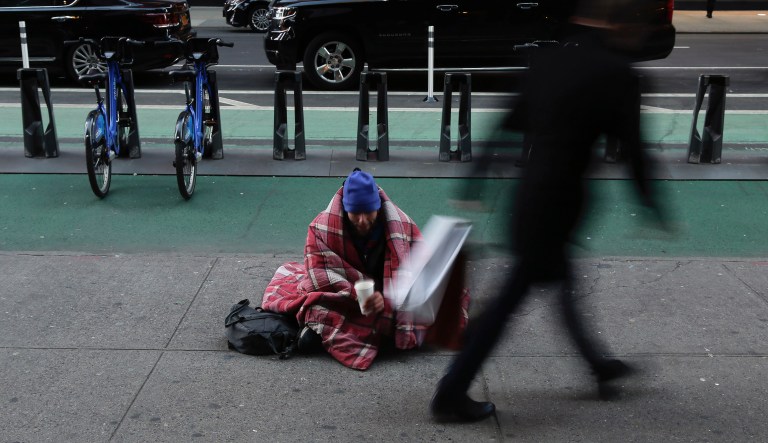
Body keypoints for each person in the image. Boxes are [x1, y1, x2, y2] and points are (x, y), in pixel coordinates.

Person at [429, 0, 667, 422]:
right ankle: (451, 392)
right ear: (624, 27)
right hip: (560, 205)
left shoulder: (549, 59)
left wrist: (476, 179)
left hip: (530, 198)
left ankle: (599, 366)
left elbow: (505, 123)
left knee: (557, 283)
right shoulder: (618, 76)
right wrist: (653, 204)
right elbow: (634, 151)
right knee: (511, 299)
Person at [262, 168, 469, 370]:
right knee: (316, 306)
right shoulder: (320, 228)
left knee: (431, 307)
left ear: (378, 207)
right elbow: (317, 274)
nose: (362, 220)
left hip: (389, 298)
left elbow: (419, 269)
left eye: (368, 212)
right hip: (347, 296)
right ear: (345, 209)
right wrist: (356, 294)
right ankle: (378, 337)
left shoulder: (401, 223)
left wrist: (387, 298)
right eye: (355, 213)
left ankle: (353, 335)